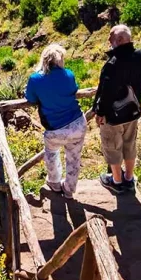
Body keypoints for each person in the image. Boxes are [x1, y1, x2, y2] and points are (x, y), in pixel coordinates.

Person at [25, 44, 87, 199]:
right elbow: (73, 90)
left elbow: (30, 99)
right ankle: (69, 190)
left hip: (55, 128)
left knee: (51, 154)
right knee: (74, 158)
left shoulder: (35, 79)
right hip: (77, 123)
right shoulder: (69, 75)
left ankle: (55, 183)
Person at [94, 24, 141, 194]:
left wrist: (100, 113)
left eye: (111, 39)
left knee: (112, 146)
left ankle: (116, 181)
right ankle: (129, 178)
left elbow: (106, 93)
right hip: (133, 110)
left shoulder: (113, 63)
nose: (109, 42)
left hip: (113, 115)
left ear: (118, 41)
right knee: (129, 144)